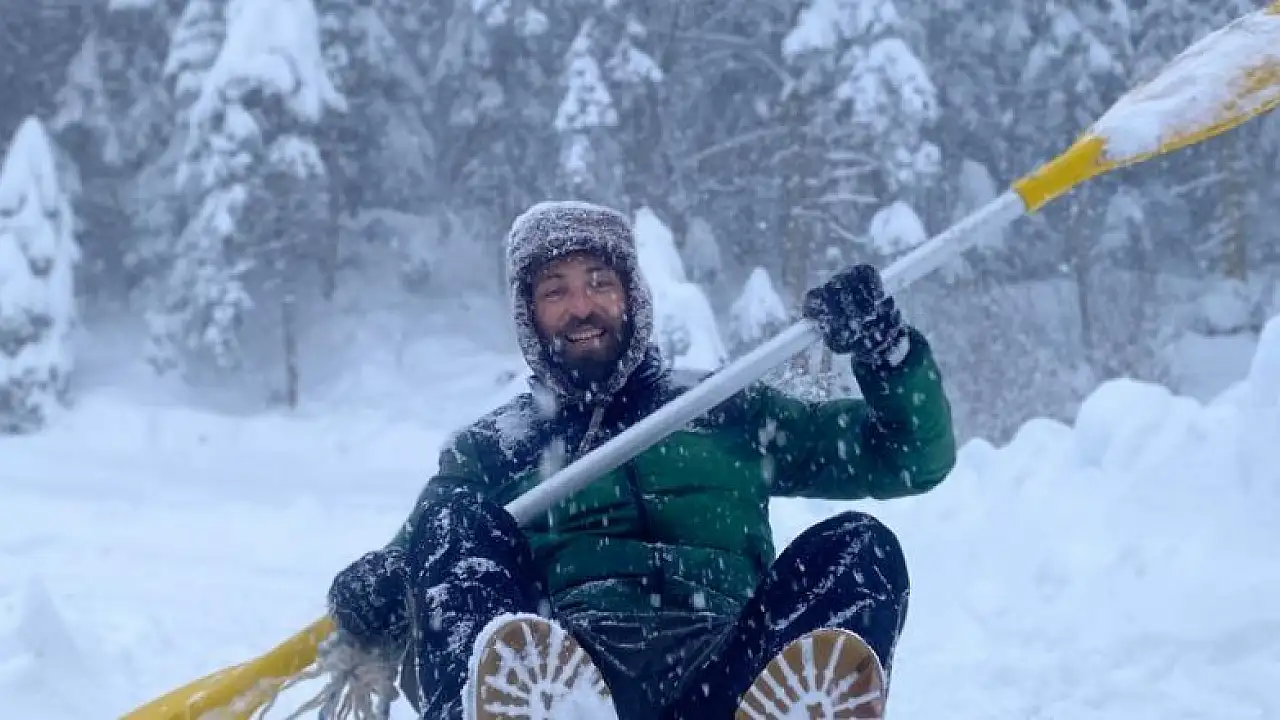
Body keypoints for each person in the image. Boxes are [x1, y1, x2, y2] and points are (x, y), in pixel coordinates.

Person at [325, 200, 957, 720]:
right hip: (568, 678)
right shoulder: (493, 448)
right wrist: (371, 588)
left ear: (632, 295)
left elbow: (908, 456)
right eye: (555, 291)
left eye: (600, 283)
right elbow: (416, 558)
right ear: (528, 314)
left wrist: (887, 352)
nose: (582, 307)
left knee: (859, 548)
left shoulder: (724, 408)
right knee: (453, 523)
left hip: (728, 677)